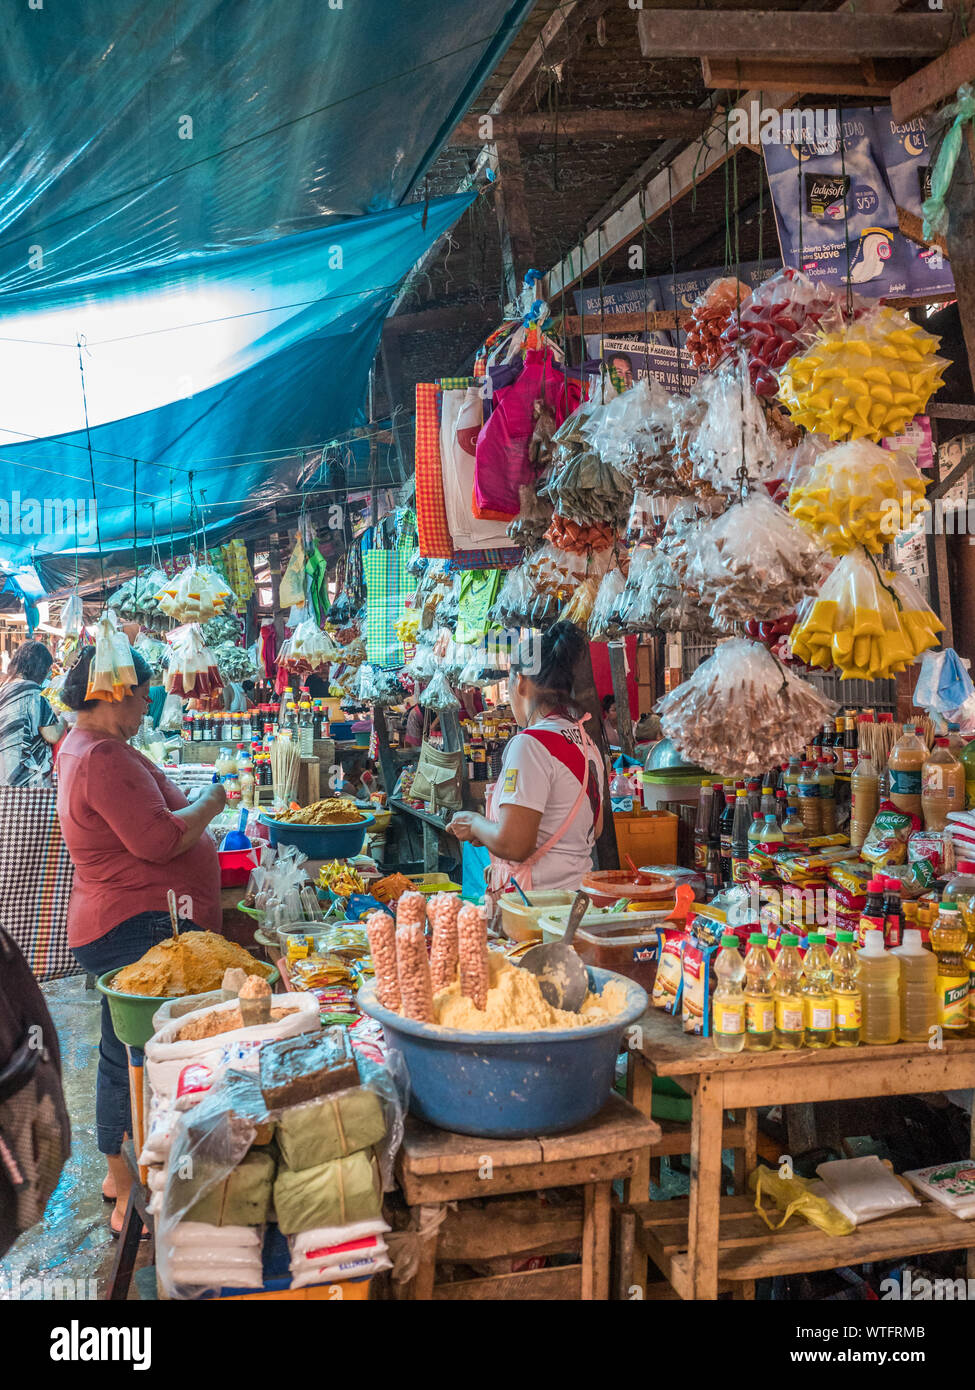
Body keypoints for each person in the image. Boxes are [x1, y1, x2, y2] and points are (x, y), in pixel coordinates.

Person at [57, 645, 227, 1236]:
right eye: (141, 690)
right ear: (112, 691)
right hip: (137, 922)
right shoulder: (101, 754)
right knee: (136, 1056)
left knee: (124, 1049)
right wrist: (211, 802)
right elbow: (156, 841)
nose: (148, 701)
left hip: (127, 918)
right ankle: (133, 1189)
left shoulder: (90, 747)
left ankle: (125, 1177)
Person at [448, 622, 602, 904]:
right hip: (577, 900)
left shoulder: (529, 744)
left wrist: (474, 823)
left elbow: (515, 844)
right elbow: (594, 827)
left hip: (538, 908)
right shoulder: (585, 740)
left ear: (521, 682)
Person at [0, 640, 64, 787]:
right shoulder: (33, 692)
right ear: (40, 668)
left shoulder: (4, 689)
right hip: (26, 781)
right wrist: (64, 720)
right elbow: (52, 735)